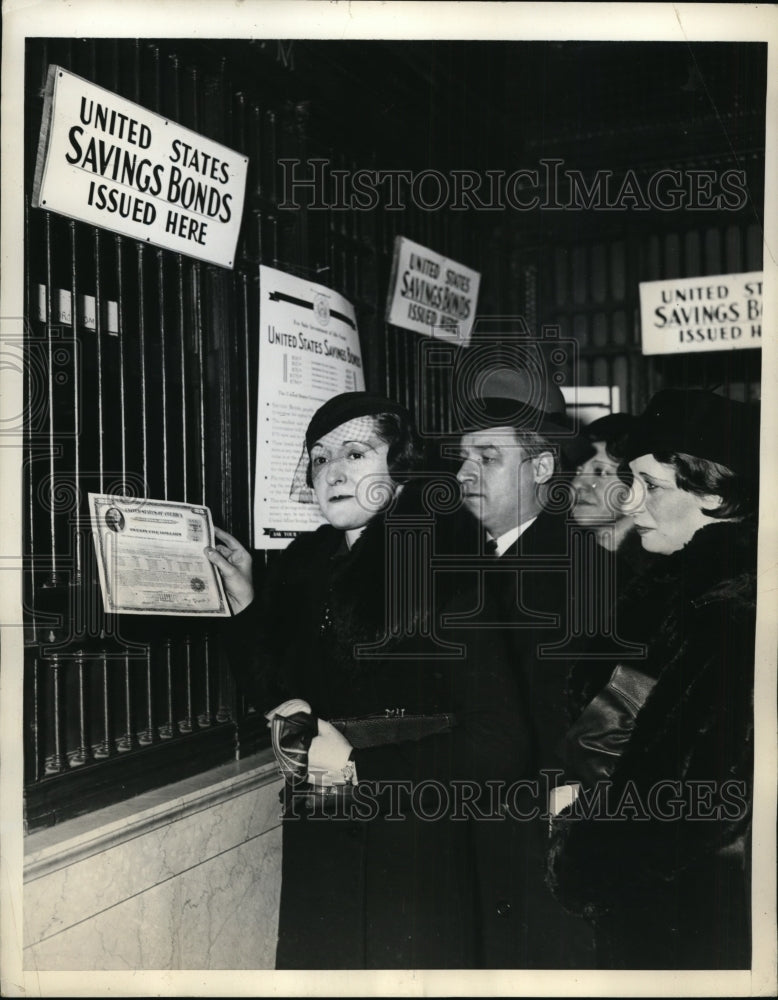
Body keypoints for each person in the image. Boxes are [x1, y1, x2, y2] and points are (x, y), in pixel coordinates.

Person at [207, 390, 526, 970]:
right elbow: (275, 693)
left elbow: (500, 741)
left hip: (412, 835)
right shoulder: (308, 563)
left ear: (400, 469)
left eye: (355, 454)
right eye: (320, 457)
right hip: (322, 823)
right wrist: (248, 609)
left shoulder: (444, 568)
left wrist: (362, 766)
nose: (330, 472)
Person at [547, 388, 759, 969]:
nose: (632, 505)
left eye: (652, 486)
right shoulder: (680, 589)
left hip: (693, 913)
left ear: (714, 492)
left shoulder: (731, 609)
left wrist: (585, 848)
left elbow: (699, 798)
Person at [449, 367, 596, 968]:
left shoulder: (573, 569)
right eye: (463, 457)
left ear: (540, 469)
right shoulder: (484, 560)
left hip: (537, 826)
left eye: (487, 456)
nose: (463, 474)